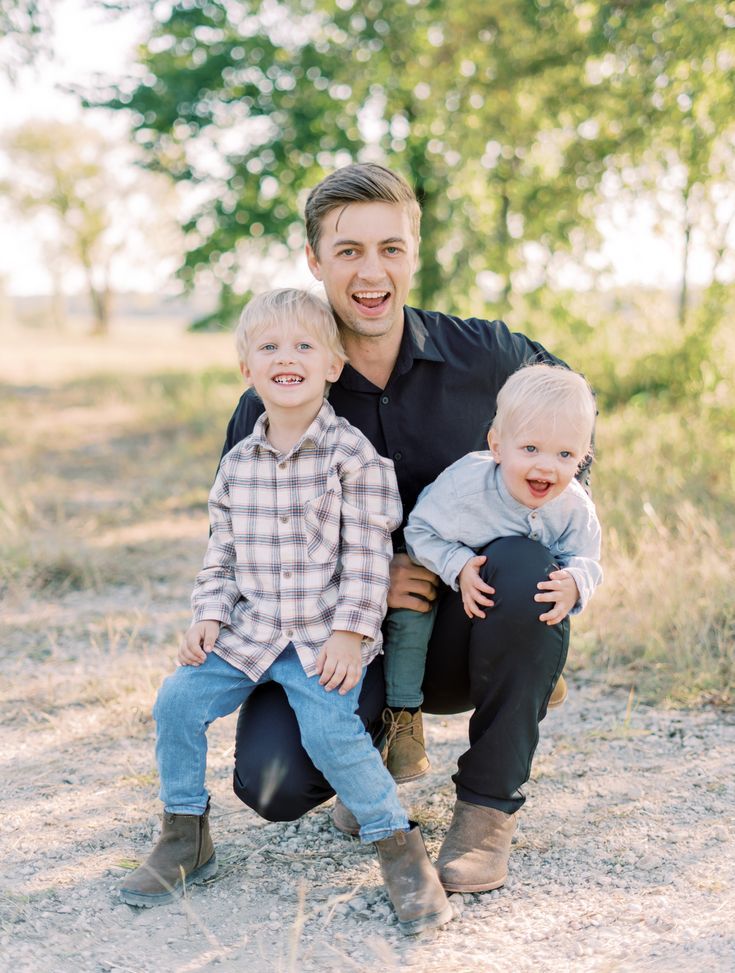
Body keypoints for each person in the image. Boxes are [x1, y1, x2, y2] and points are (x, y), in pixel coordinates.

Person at [223, 163, 588, 895]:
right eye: (348, 250)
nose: (371, 272)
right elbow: (243, 559)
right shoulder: (276, 396)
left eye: (390, 247)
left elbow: (576, 414)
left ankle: (485, 811)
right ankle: (370, 769)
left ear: (412, 252)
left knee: (524, 568)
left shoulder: (484, 355)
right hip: (342, 640)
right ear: (314, 259)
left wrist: (550, 515)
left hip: (471, 618)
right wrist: (363, 572)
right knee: (271, 782)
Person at [120, 289, 453, 935]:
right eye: (268, 347)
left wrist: (352, 632)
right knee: (176, 701)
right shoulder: (238, 463)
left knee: (332, 733)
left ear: (333, 364)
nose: (286, 357)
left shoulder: (353, 458)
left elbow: (367, 555)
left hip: (322, 635)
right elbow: (221, 551)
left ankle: (397, 847)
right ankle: (185, 834)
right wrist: (208, 614)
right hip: (250, 633)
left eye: (303, 345)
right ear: (247, 369)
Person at [384, 364, 602, 789]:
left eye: (565, 455)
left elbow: (588, 558)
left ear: (582, 457)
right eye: (531, 449)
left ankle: (538, 671)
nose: (547, 468)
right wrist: (458, 565)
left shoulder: (573, 505)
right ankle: (403, 713)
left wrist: (577, 581)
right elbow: (420, 532)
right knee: (411, 613)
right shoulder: (466, 487)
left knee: (544, 576)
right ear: (497, 446)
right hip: (444, 582)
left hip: (509, 589)